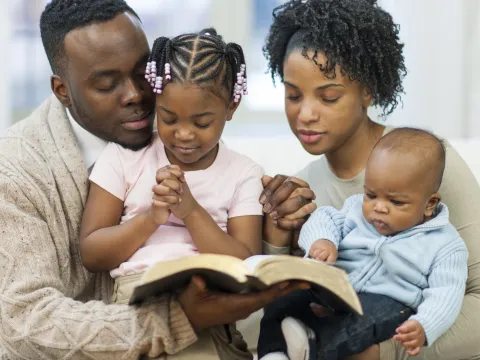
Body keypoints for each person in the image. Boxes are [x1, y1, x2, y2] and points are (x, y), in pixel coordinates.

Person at [0, 1, 310, 359]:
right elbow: (24, 323)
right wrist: (176, 319)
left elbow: (246, 269)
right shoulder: (15, 169)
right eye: (106, 84)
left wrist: (280, 235)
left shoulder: (188, 136)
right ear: (62, 91)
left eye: (141, 72)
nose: (136, 95)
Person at [259, 0, 480, 359]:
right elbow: (258, 322)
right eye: (292, 95)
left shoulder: (427, 164)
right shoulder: (297, 192)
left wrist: (383, 351)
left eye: (328, 96)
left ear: (368, 90)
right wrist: (277, 238)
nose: (306, 114)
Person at [79, 27, 266, 359]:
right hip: (134, 306)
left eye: (202, 122)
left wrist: (191, 212)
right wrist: (152, 218)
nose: (183, 134)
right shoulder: (124, 156)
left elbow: (244, 263)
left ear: (232, 107)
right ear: (156, 100)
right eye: (168, 118)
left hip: (207, 305)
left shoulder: (244, 172)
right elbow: (92, 254)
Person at [258, 128, 468, 360]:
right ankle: (274, 353)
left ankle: (313, 350)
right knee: (284, 302)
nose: (378, 207)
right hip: (337, 288)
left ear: (430, 204)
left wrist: (425, 324)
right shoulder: (355, 209)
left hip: (388, 301)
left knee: (362, 325)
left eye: (396, 201)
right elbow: (324, 217)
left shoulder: (446, 244)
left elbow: (447, 293)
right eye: (371, 195)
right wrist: (323, 240)